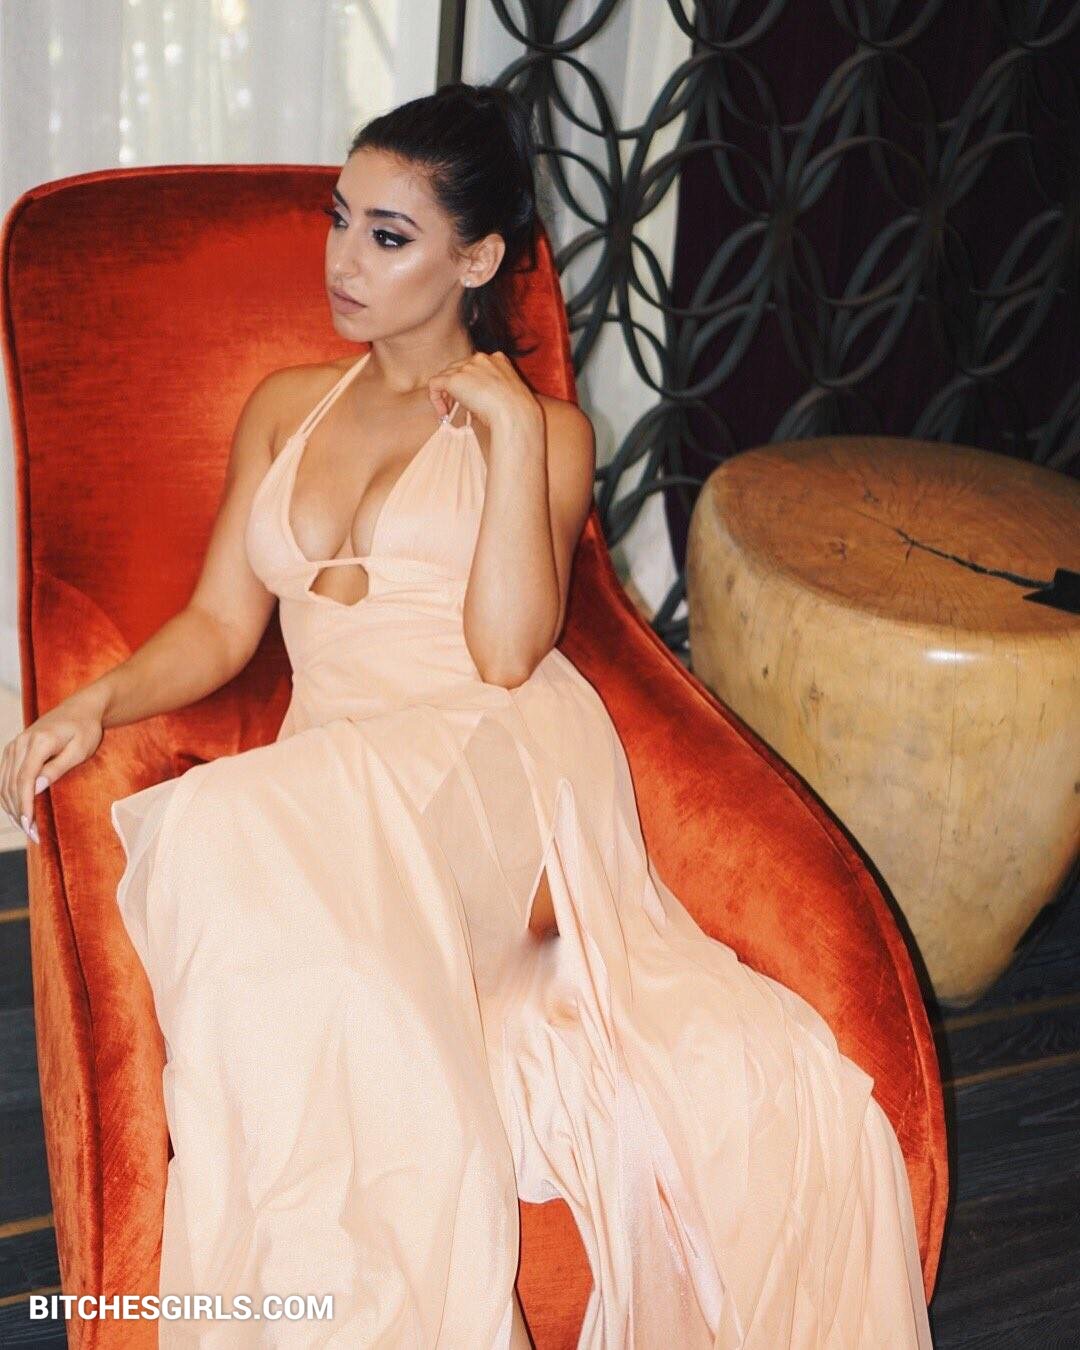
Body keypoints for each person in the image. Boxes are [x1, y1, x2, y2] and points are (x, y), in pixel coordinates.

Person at [2, 82, 934, 1348]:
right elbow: (222, 625)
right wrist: (92, 702)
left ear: (478, 259)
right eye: (341, 220)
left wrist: (504, 435)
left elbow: (506, 653)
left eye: (388, 235)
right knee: (280, 927)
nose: (343, 260)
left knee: (217, 833)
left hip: (493, 748)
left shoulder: (547, 430)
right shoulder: (284, 404)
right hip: (345, 759)